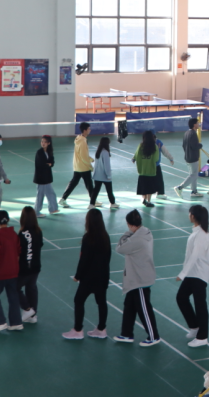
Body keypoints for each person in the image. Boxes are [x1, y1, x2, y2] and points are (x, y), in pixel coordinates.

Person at [63, 209, 112, 340]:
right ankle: (101, 329)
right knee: (101, 302)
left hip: (89, 278)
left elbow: (84, 259)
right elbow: (108, 257)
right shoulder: (105, 236)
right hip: (102, 276)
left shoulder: (88, 238)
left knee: (78, 300)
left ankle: (78, 330)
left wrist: (78, 276)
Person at [115, 210, 160, 345]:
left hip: (139, 279)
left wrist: (127, 233)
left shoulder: (136, 239)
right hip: (138, 276)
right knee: (129, 306)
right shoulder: (146, 232)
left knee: (144, 308)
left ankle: (154, 336)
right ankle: (126, 334)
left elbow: (120, 248)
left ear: (129, 224)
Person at [176, 205, 209, 347]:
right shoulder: (197, 232)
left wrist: (182, 274)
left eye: (189, 213)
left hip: (199, 274)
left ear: (193, 216)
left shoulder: (201, 234)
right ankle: (195, 326)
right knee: (181, 297)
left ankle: (202, 337)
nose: (188, 215)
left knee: (200, 305)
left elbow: (195, 256)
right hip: (192, 273)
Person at [0, 210, 22, 333]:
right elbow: (18, 253)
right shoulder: (14, 234)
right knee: (13, 297)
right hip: (14, 272)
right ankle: (16, 322)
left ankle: (0, 322)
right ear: (8, 220)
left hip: (1, 273)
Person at [60, 122, 95, 208]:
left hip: (77, 166)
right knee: (89, 184)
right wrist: (90, 165)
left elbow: (81, 154)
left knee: (73, 183)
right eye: (88, 129)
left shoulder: (78, 138)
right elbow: (83, 156)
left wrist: (91, 159)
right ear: (85, 130)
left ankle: (63, 199)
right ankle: (93, 201)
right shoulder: (83, 141)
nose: (90, 130)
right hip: (84, 167)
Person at [134, 131, 173, 207]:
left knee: (143, 185)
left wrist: (138, 162)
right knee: (150, 186)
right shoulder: (155, 146)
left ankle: (143, 198)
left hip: (142, 170)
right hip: (151, 170)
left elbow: (137, 155)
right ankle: (149, 201)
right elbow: (156, 158)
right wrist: (170, 158)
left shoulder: (140, 146)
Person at [17, 207, 42, 324]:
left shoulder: (21, 233)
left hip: (24, 268)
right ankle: (33, 315)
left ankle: (27, 309)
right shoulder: (38, 232)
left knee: (14, 288)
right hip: (36, 267)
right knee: (31, 288)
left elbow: (18, 252)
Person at [175, 117, 204, 199]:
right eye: (197, 123)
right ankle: (180, 187)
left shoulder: (186, 133)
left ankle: (194, 191)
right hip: (193, 157)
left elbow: (183, 145)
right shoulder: (193, 134)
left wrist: (187, 153)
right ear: (194, 125)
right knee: (194, 175)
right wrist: (200, 145)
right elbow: (195, 146)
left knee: (193, 174)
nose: (199, 124)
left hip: (187, 157)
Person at [33, 135, 59, 216]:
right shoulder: (39, 152)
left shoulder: (49, 152)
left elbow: (52, 161)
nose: (43, 143)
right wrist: (48, 165)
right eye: (42, 141)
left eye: (45, 142)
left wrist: (50, 164)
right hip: (41, 178)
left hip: (47, 178)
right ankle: (36, 212)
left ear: (48, 143)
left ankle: (53, 209)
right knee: (40, 195)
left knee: (51, 193)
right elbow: (40, 164)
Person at [91, 136, 118, 209]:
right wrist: (108, 175)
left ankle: (91, 204)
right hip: (104, 176)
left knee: (95, 191)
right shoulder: (105, 152)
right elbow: (107, 165)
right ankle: (112, 203)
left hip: (97, 175)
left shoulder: (98, 151)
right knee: (109, 191)